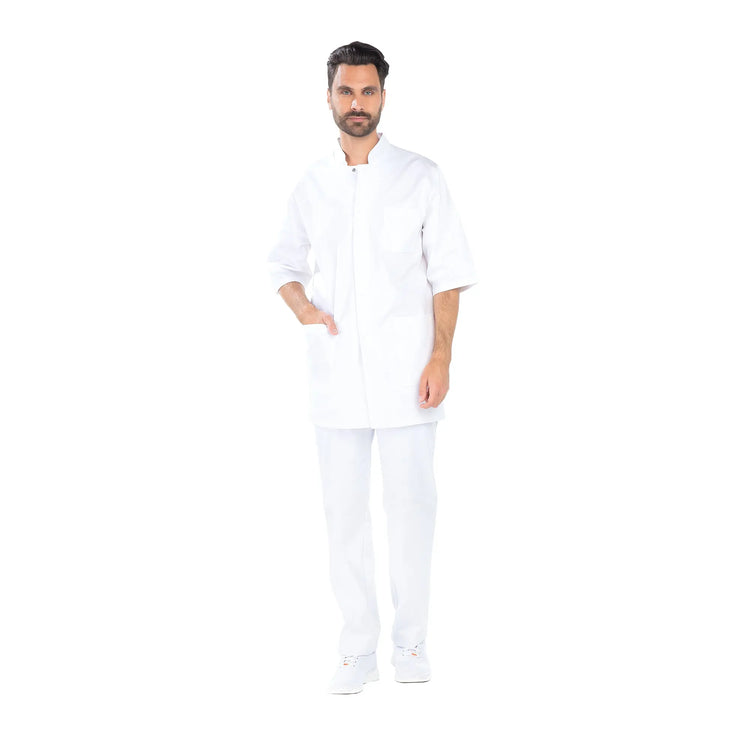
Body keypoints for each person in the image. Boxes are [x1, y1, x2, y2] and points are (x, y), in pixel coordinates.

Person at [267, 41, 478, 694]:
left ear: (384, 94)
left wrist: (441, 354)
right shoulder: (312, 183)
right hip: (335, 378)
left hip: (409, 373)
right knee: (344, 515)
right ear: (328, 96)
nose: (356, 103)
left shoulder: (421, 176)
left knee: (413, 508)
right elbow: (282, 262)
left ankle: (411, 643)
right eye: (345, 91)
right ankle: (357, 648)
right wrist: (304, 308)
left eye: (367, 91)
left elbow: (448, 274)